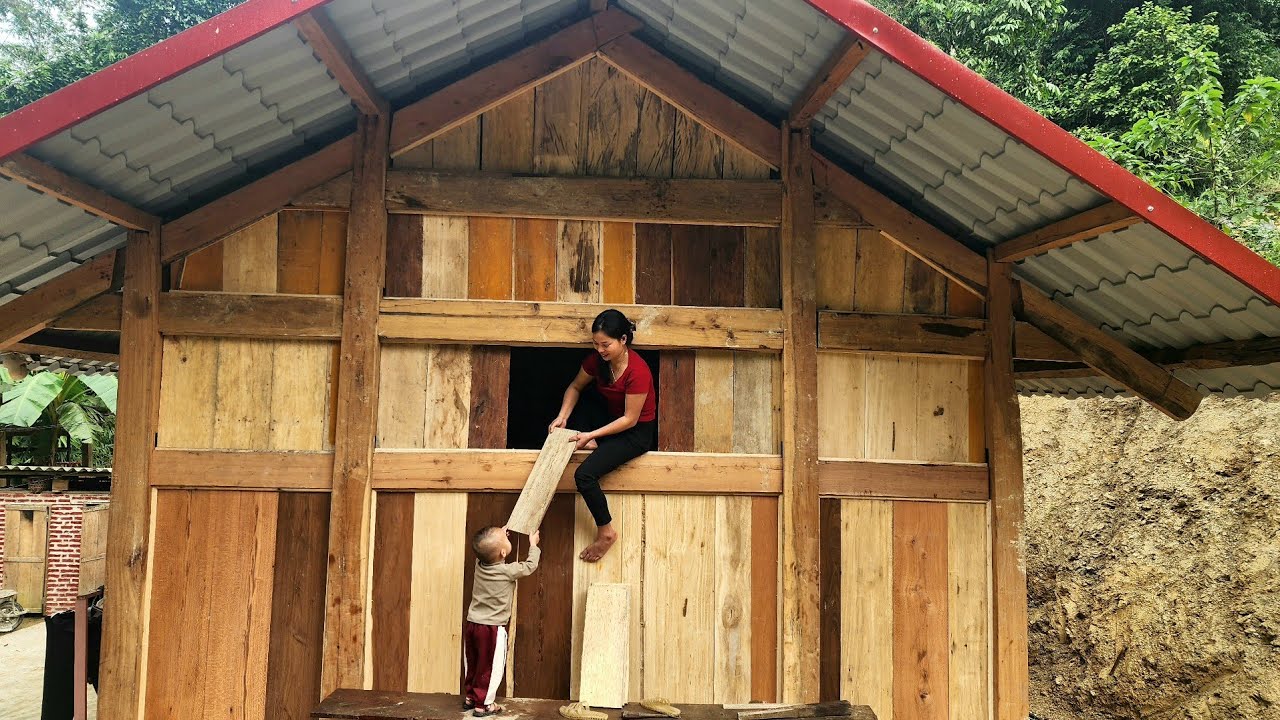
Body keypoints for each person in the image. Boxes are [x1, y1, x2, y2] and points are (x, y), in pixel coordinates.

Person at [549, 309, 658, 563]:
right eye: (596, 344)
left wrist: (591, 435)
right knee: (586, 406)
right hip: (610, 423)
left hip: (635, 434)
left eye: (606, 344)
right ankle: (595, 438)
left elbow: (630, 419)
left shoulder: (638, 372)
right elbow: (576, 386)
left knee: (584, 475)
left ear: (623, 339)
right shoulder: (596, 362)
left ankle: (606, 532)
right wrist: (563, 416)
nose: (600, 350)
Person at [463, 526, 541, 716]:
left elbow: (485, 550)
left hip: (472, 624)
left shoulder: (479, 565)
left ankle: (471, 697)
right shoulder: (508, 571)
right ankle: (485, 704)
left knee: (473, 662)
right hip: (491, 629)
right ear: (503, 552)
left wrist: (498, 535)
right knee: (491, 665)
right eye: (504, 538)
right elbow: (530, 566)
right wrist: (533, 545)